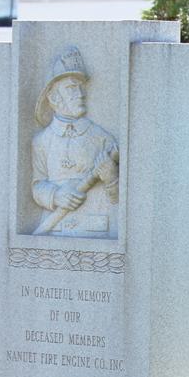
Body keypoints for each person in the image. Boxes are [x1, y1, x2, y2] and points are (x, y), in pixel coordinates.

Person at [31, 45, 119, 238]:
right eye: (71, 87)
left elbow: (119, 199)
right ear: (53, 96)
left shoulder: (102, 138)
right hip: (54, 227)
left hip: (94, 230)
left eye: (81, 87)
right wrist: (55, 195)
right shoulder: (41, 141)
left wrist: (112, 178)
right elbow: (36, 185)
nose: (80, 94)